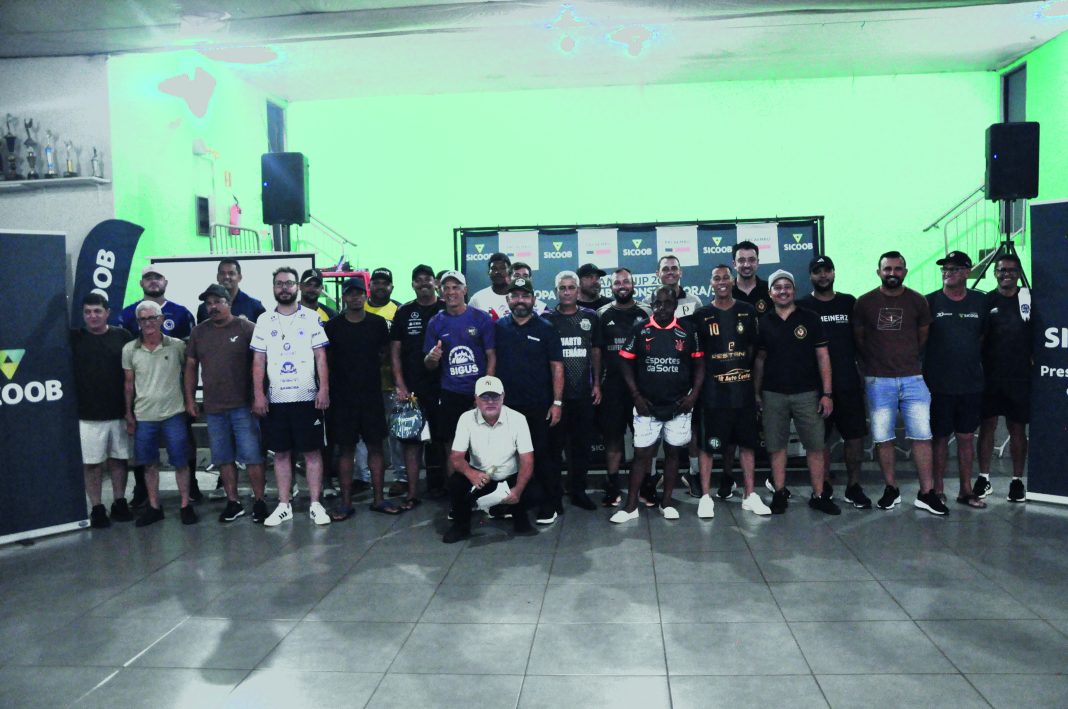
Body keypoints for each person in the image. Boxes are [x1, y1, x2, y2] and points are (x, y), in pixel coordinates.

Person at [854, 251, 947, 515]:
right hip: (878, 380)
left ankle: (926, 493)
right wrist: (877, 363)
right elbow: (859, 339)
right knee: (883, 437)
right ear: (878, 272)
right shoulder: (864, 302)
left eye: (897, 268)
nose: (892, 273)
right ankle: (891, 489)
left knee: (922, 436)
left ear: (905, 272)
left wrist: (905, 360)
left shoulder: (917, 301)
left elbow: (922, 336)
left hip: (913, 378)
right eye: (887, 269)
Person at [612, 287, 703, 523]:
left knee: (673, 453)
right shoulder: (640, 329)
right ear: (652, 305)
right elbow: (625, 362)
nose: (662, 308)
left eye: (667, 303)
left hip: (679, 405)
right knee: (641, 455)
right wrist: (636, 396)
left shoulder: (688, 330)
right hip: (647, 405)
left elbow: (700, 364)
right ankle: (631, 506)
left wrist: (693, 396)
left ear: (675, 305)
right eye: (657, 304)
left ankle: (667, 502)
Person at [251, 267, 332, 526]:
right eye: (279, 283)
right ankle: (284, 505)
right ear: (273, 287)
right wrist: (258, 394)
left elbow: (320, 356)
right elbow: (258, 360)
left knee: (312, 452)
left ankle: (316, 504)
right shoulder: (264, 320)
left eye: (288, 283)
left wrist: (324, 389)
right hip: (276, 399)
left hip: (307, 397)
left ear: (297, 286)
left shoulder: (311, 317)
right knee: (281, 453)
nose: (284, 288)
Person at [753, 270, 839, 515]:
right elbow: (759, 360)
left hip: (807, 393)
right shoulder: (764, 322)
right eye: (777, 287)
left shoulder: (810, 318)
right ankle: (779, 492)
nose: (783, 291)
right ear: (770, 293)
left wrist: (827, 393)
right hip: (773, 394)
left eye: (787, 286)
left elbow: (823, 356)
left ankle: (819, 495)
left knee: (815, 446)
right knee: (776, 446)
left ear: (794, 290)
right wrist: (756, 393)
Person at [184, 284, 267, 523]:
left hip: (244, 407)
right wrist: (190, 399)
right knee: (223, 457)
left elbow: (262, 363)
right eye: (208, 303)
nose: (212, 307)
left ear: (229, 303)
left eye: (217, 302)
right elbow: (191, 366)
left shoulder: (247, 328)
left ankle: (259, 501)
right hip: (214, 408)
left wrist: (259, 396)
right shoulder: (199, 332)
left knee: (252, 456)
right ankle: (233, 502)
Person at [692, 265, 770, 518]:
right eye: (717, 278)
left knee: (747, 444)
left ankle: (750, 495)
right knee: (708, 446)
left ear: (733, 281)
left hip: (742, 391)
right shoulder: (702, 314)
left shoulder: (747, 311)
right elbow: (697, 355)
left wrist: (753, 388)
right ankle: (705, 497)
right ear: (711, 283)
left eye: (726, 277)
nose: (722, 281)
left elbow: (753, 351)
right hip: (713, 394)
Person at [120, 265, 200, 506]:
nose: (153, 281)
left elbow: (190, 363)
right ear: (141, 283)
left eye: (157, 277)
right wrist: (129, 410)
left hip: (175, 403)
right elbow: (129, 371)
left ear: (165, 282)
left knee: (183, 449)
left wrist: (189, 398)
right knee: (145, 456)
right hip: (145, 405)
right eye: (148, 278)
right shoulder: (126, 315)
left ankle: (191, 488)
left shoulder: (182, 313)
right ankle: (143, 492)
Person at [797, 255, 872, 509]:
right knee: (820, 440)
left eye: (827, 270)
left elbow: (861, 340)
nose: (823, 275)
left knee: (855, 436)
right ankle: (824, 485)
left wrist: (864, 372)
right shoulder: (802, 306)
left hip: (848, 382)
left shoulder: (849, 302)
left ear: (834, 272)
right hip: (816, 387)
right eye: (817, 271)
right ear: (810, 275)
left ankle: (854, 486)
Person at [325, 276, 402, 519]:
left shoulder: (377, 324)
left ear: (365, 295)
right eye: (351, 293)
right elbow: (326, 360)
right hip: (342, 398)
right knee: (346, 450)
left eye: (359, 293)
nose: (355, 297)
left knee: (375, 447)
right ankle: (346, 503)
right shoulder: (333, 326)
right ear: (344, 297)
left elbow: (385, 353)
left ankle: (379, 499)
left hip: (371, 395)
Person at [494, 277, 564, 523]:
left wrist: (557, 403)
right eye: (515, 296)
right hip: (507, 407)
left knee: (542, 456)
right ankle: (514, 503)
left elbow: (557, 367)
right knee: (509, 457)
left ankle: (549, 504)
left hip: (539, 406)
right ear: (508, 300)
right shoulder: (499, 327)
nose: (520, 300)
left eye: (525, 296)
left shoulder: (546, 327)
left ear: (533, 299)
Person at [924, 251, 989, 508]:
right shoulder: (930, 301)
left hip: (970, 384)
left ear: (967, 271)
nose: (947, 272)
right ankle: (938, 490)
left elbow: (983, 337)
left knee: (965, 437)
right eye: (945, 269)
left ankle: (965, 491)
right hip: (938, 385)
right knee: (940, 437)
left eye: (954, 268)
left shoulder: (980, 301)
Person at [442, 376, 536, 543]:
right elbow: (456, 457)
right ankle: (460, 526)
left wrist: (518, 489)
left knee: (534, 487)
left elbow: (527, 460)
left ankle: (519, 517)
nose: (490, 402)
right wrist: (471, 474)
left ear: (503, 397)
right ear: (476, 399)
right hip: (481, 477)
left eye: (495, 396)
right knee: (456, 483)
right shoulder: (466, 419)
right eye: (485, 397)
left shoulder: (518, 419)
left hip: (510, 477)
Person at [424, 271, 496, 480]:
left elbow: (491, 356)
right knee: (453, 447)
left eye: (455, 287)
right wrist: (432, 357)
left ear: (465, 290)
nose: (451, 292)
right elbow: (429, 364)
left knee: (484, 445)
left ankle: (485, 493)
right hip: (451, 393)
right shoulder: (435, 322)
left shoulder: (481, 318)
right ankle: (456, 494)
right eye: (446, 288)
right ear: (440, 292)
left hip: (479, 393)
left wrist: (485, 391)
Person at [71, 293, 134, 528]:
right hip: (87, 415)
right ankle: (97, 507)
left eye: (97, 311)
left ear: (107, 313)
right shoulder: (74, 338)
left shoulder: (123, 336)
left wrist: (130, 410)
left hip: (119, 412)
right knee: (92, 463)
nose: (92, 316)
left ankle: (119, 501)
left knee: (119, 460)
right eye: (87, 312)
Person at [544, 270, 602, 518]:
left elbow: (596, 351)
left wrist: (597, 383)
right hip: (555, 398)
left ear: (578, 291)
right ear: (556, 291)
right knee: (553, 449)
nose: (567, 292)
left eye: (571, 287)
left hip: (583, 394)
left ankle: (578, 491)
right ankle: (554, 495)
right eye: (562, 288)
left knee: (581, 448)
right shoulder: (547, 318)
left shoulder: (590, 317)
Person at [976, 253, 1031, 503]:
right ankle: (983, 478)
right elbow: (979, 338)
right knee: (987, 426)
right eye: (1001, 270)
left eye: (1010, 270)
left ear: (1018, 273)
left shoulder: (1028, 298)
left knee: (1017, 429)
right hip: (990, 377)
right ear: (994, 273)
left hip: (1019, 378)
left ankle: (1017, 481)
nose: (1005, 273)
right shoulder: (987, 300)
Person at [720, 240, 771, 500]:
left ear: (758, 262)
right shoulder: (726, 292)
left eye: (751, 259)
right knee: (730, 431)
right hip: (733, 369)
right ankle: (727, 477)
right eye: (741, 260)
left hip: (769, 367)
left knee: (770, 426)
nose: (746, 264)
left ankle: (774, 479)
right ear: (734, 263)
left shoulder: (769, 290)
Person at [391, 264, 447, 500]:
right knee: (411, 442)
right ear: (413, 284)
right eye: (418, 280)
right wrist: (400, 384)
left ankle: (450, 492)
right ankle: (412, 493)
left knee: (445, 439)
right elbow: (395, 351)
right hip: (413, 388)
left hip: (445, 387)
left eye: (428, 279)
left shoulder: (446, 308)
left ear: (435, 283)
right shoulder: (404, 312)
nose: (423, 283)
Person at [596, 268, 651, 506]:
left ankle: (645, 486)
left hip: (642, 388)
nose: (622, 286)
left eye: (626, 282)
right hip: (612, 388)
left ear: (633, 284)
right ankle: (613, 487)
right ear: (611, 287)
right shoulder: (601, 314)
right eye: (617, 283)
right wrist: (597, 384)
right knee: (613, 440)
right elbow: (597, 352)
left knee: (644, 441)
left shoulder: (646, 311)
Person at [364, 267, 407, 497]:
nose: (381, 286)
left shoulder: (399, 310)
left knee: (396, 432)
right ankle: (362, 477)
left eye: (385, 283)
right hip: (364, 384)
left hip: (391, 382)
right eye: (377, 282)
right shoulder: (358, 307)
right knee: (364, 433)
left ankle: (400, 476)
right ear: (370, 285)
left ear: (392, 287)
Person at [194, 258, 266, 323]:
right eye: (222, 273)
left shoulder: (254, 306)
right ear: (217, 277)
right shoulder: (204, 309)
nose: (226, 277)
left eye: (231, 273)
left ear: (240, 277)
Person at [468, 252, 513, 320]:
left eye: (502, 268)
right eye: (494, 268)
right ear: (488, 272)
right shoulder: (477, 299)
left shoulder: (520, 297)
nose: (498, 272)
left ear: (510, 272)